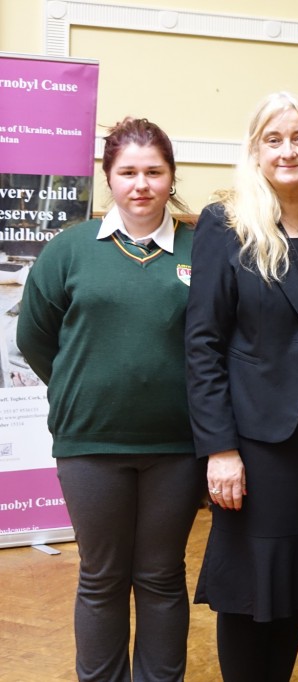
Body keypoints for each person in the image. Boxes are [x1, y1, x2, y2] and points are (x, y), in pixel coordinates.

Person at [16, 117, 204, 681]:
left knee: (162, 575)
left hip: (177, 445)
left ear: (172, 178)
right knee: (101, 578)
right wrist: (83, 384)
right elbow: (34, 337)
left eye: (154, 171)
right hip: (90, 444)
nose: (141, 184)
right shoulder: (70, 249)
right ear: (109, 178)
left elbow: (219, 342)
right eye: (128, 172)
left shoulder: (203, 249)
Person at [185, 92, 298, 681]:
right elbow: (203, 344)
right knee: (247, 584)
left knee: (295, 579)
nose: (288, 150)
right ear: (255, 148)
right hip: (256, 441)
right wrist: (220, 448)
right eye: (274, 139)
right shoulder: (227, 222)